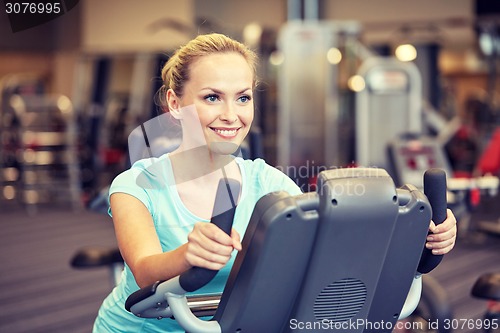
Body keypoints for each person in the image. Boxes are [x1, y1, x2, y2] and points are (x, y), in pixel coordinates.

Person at [93, 33, 458, 333]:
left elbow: (327, 255)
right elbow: (144, 269)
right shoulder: (137, 183)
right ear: (175, 103)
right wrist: (186, 256)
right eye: (211, 97)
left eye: (243, 98)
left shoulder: (269, 183)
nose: (231, 115)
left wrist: (420, 240)